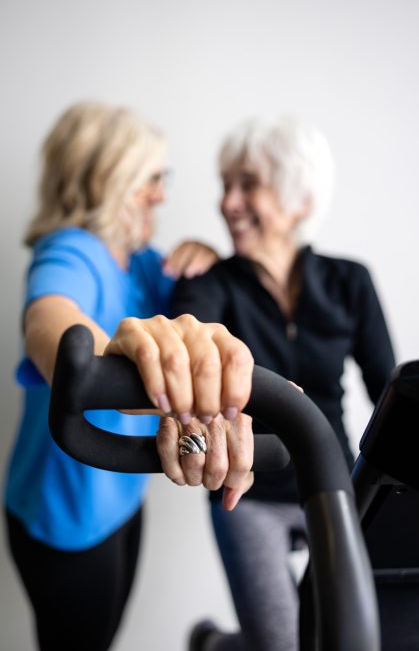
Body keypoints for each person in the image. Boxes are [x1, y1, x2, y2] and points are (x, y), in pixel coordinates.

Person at [3, 101, 255, 651]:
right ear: (107, 180)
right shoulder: (69, 251)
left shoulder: (139, 261)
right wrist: (105, 361)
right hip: (64, 515)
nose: (162, 194)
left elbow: (197, 319)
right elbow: (49, 321)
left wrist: (207, 258)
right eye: (151, 179)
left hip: (121, 495)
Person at [172, 115, 396, 651]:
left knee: (357, 636)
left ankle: (218, 646)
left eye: (248, 184)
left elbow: (389, 392)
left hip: (334, 480)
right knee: (281, 645)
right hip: (249, 494)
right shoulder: (212, 283)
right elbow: (189, 342)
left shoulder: (350, 281)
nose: (227, 202)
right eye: (225, 186)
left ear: (300, 199)